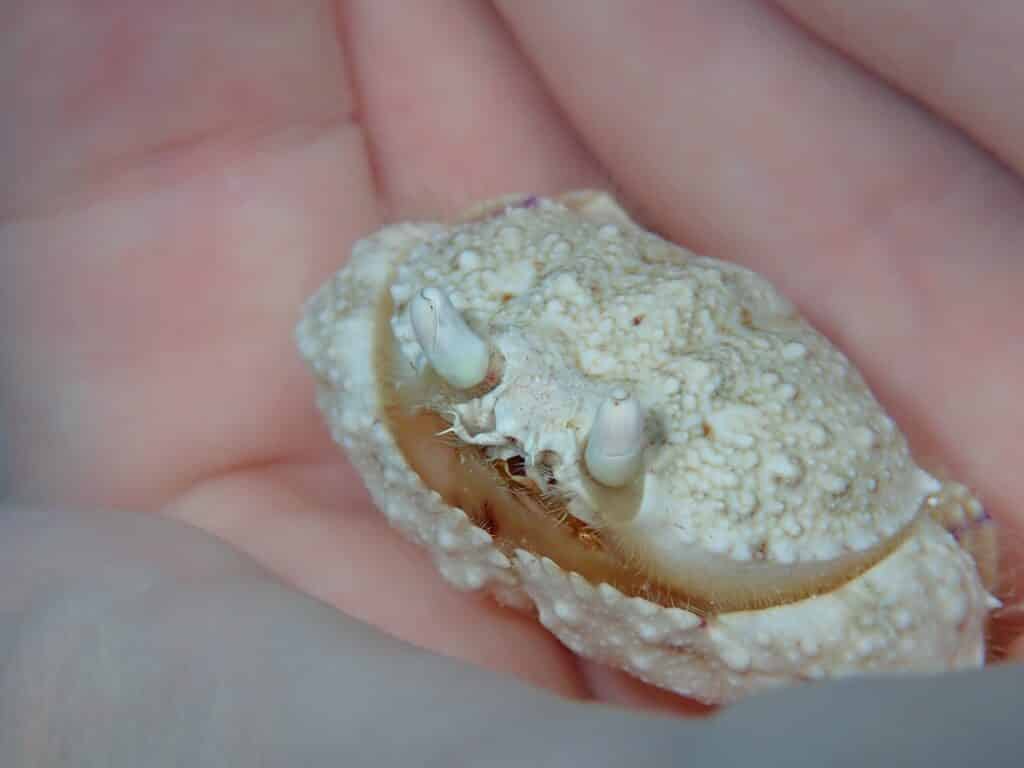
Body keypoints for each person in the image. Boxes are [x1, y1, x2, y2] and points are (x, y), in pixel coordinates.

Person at [1, 2, 1022, 764]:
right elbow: (360, 313)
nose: (532, 475)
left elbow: (929, 650)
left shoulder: (897, 607)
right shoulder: (406, 289)